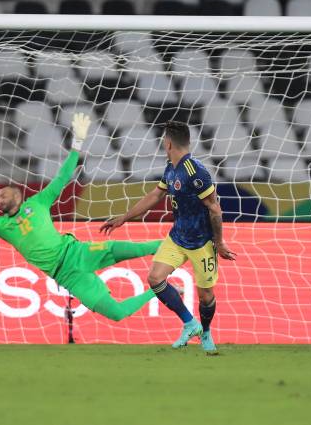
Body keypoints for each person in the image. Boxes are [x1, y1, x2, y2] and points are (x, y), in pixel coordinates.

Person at [0, 113, 162, 322]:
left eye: (3, 193)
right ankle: (159, 289)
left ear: (18, 193)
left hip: (77, 253)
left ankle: (182, 245)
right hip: (66, 276)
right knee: (117, 313)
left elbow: (63, 176)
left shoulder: (37, 203)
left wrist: (78, 143)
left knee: (140, 249)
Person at [100, 120, 236, 353]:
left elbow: (215, 208)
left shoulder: (196, 173)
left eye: (164, 139)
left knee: (206, 296)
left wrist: (219, 242)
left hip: (201, 243)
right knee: (154, 279)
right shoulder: (171, 167)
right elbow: (155, 195)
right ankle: (190, 323)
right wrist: (125, 217)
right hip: (177, 237)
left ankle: (206, 332)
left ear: (169, 142)